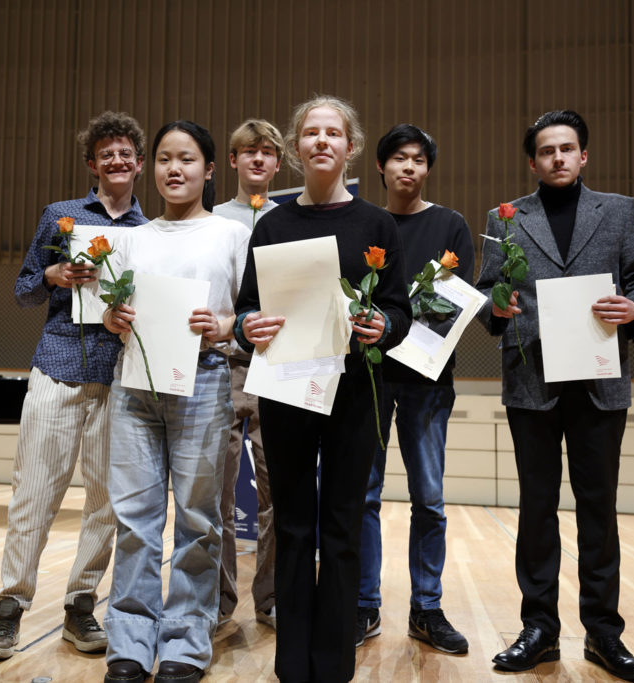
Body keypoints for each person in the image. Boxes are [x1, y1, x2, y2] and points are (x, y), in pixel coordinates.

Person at [475, 110, 634, 680]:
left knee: (598, 513)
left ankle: (605, 634)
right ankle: (539, 631)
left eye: (568, 148)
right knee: (535, 511)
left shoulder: (619, 211)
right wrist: (495, 307)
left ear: (584, 157)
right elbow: (485, 295)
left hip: (600, 382)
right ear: (532, 162)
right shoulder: (505, 217)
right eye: (547, 150)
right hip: (532, 383)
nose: (558, 157)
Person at [235, 95, 412, 683]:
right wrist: (246, 326)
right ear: (295, 148)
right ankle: (293, 666)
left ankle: (333, 667)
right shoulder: (274, 223)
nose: (321, 142)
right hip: (286, 392)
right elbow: (245, 311)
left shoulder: (376, 224)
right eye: (310, 132)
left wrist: (383, 325)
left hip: (356, 396)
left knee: (340, 527)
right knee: (292, 526)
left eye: (332, 133)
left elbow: (399, 312)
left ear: (350, 148)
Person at [0, 112, 148, 661]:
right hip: (57, 364)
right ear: (92, 164)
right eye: (107, 153)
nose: (117, 161)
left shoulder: (152, 232)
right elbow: (24, 291)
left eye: (126, 153)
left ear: (139, 164)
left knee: (106, 500)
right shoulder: (61, 215)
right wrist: (51, 276)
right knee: (35, 492)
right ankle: (10, 607)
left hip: (121, 376)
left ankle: (80, 604)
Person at [101, 120, 250, 683]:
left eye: (186, 159)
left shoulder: (232, 234)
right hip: (134, 385)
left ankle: (186, 643)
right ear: (151, 166)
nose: (174, 169)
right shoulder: (131, 237)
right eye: (164, 158)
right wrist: (114, 319)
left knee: (197, 519)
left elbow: (250, 317)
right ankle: (131, 644)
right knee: (135, 522)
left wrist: (225, 325)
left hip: (206, 381)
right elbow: (109, 313)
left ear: (210, 170)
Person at [356, 124, 474, 654]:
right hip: (369, 377)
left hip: (427, 380)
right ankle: (364, 605)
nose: (409, 167)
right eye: (399, 158)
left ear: (428, 168)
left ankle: (426, 608)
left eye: (418, 159)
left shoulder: (451, 224)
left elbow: (453, 304)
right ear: (380, 168)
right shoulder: (365, 224)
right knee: (364, 496)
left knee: (430, 499)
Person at [212, 118, 284, 630]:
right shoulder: (211, 218)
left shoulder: (293, 219)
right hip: (220, 361)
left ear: (279, 164)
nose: (257, 160)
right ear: (233, 161)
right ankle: (216, 602)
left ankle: (272, 597)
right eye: (248, 152)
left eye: (267, 153)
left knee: (276, 492)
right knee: (214, 489)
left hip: (277, 364)